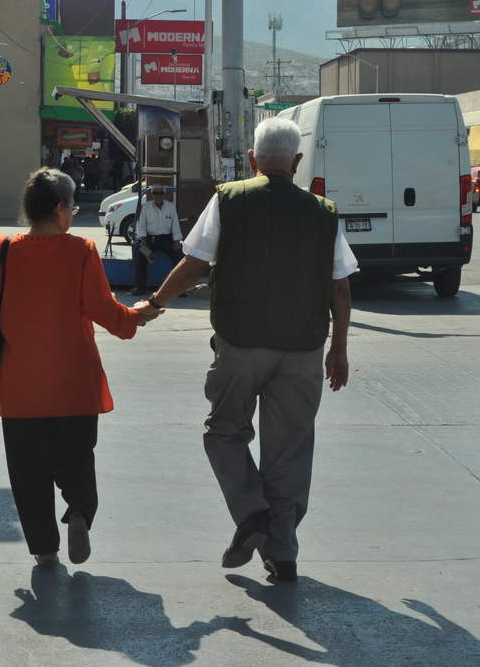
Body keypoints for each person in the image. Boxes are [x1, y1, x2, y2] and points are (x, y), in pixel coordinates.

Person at [145, 117, 356, 583]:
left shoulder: (229, 199)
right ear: (297, 164)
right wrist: (338, 350)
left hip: (240, 344)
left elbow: (194, 263)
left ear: (252, 159)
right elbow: (339, 289)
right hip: (303, 349)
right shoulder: (323, 212)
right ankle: (282, 554)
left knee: (223, 431)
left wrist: (155, 303)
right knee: (290, 451)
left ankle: (252, 512)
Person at [0, 168, 159, 567]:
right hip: (75, 383)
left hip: (21, 387)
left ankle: (45, 551)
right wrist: (136, 316)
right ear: (58, 210)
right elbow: (104, 310)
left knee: (27, 473)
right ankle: (80, 512)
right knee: (77, 461)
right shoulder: (81, 250)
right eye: (71, 206)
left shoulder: (5, 248)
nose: (72, 213)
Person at [130, 186, 183, 296]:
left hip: (166, 238)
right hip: (149, 238)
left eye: (160, 193)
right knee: (139, 252)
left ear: (164, 195)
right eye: (155, 193)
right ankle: (140, 287)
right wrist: (143, 239)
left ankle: (179, 288)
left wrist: (177, 240)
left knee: (179, 255)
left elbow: (175, 225)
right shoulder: (145, 207)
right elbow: (142, 225)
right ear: (152, 194)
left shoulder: (170, 207)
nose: (158, 195)